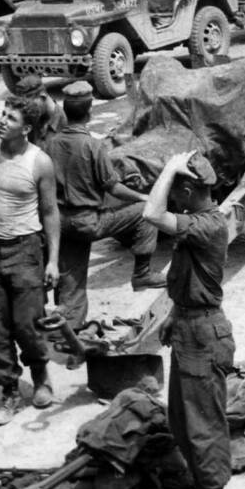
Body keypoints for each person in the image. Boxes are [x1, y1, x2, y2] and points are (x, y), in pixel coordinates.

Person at [143, 151, 235, 489]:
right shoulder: (196, 222)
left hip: (204, 335)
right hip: (188, 327)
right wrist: (174, 315)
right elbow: (190, 279)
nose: (171, 197)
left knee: (204, 427)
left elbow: (151, 214)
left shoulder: (208, 225)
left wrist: (168, 168)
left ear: (186, 190)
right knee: (182, 423)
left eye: (174, 189)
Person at [0, 95, 61, 426]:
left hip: (25, 251)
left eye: (11, 118)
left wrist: (52, 261)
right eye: (3, 114)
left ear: (27, 128)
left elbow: (50, 213)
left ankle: (41, 376)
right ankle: (9, 392)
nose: (2, 121)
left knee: (28, 324)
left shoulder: (40, 163)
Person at [45, 81, 165, 330]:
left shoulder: (51, 144)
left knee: (72, 278)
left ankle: (69, 326)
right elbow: (113, 187)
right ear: (89, 113)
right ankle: (142, 273)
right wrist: (142, 197)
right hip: (87, 221)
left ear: (66, 112)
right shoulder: (93, 146)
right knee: (144, 214)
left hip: (60, 222)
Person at [14, 74, 67, 149]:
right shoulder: (34, 118)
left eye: (31, 106)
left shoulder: (66, 124)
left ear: (43, 96)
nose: (28, 111)